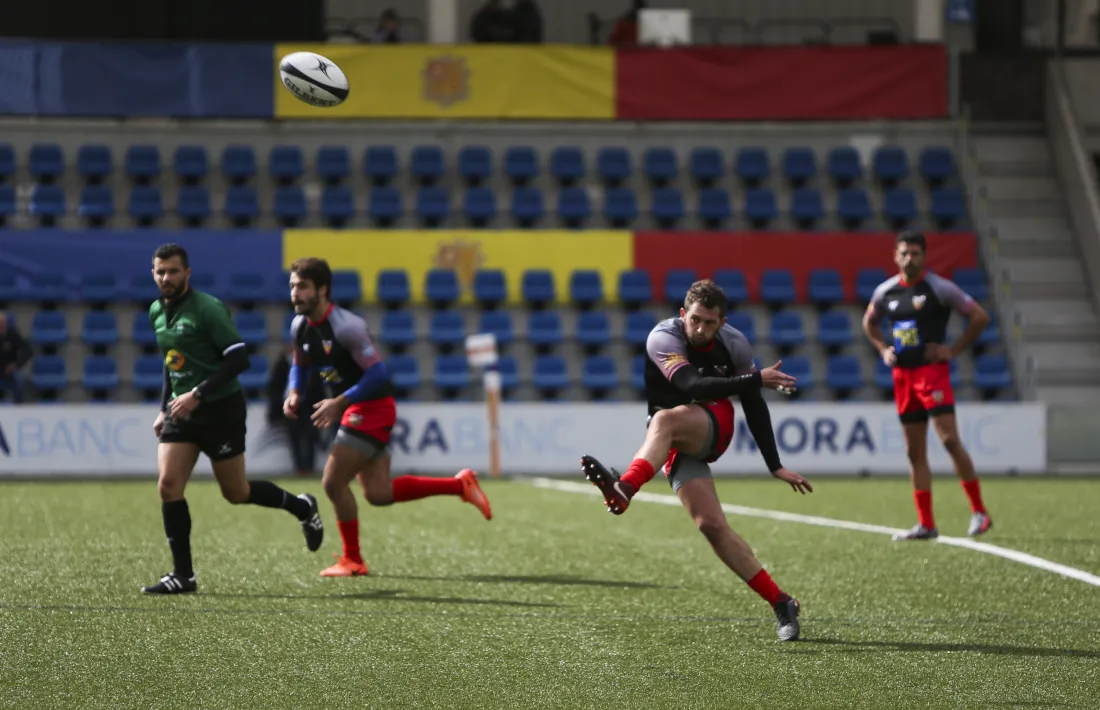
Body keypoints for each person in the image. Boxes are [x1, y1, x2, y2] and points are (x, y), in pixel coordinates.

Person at [581, 279, 812, 642]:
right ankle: (782, 602)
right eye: (695, 320)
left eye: (709, 323)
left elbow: (752, 403)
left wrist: (774, 464)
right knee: (711, 526)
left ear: (722, 322)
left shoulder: (734, 343)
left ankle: (624, 488)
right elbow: (691, 385)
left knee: (663, 420)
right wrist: (753, 379)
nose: (701, 329)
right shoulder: (663, 337)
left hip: (712, 423)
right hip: (673, 441)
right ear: (682, 314)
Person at [284, 257, 493, 578]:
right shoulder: (300, 326)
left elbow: (379, 375)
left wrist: (340, 402)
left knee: (332, 482)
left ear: (322, 289)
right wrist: (294, 391)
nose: (295, 293)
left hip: (372, 408)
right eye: (292, 286)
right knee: (378, 494)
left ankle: (353, 560)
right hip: (354, 409)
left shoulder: (346, 326)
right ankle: (459, 486)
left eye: (302, 286)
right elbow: (299, 363)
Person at [142, 243, 324, 595]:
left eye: (173, 271)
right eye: (160, 271)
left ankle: (302, 506)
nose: (166, 277)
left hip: (220, 410)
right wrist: (165, 407)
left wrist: (198, 395)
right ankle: (183, 575)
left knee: (237, 492)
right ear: (153, 273)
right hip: (182, 412)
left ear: (187, 273)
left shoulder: (208, 309)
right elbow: (172, 362)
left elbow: (239, 359)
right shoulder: (155, 311)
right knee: (168, 486)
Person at [862, 231, 993, 541]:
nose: (910, 259)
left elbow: (979, 316)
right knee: (913, 451)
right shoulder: (886, 292)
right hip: (903, 377)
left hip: (931, 373)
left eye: (916, 253)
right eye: (905, 253)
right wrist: (883, 349)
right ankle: (926, 524)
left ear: (924, 256)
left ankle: (979, 511)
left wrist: (953, 349)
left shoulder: (939, 288)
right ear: (895, 255)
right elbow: (869, 322)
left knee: (949, 440)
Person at [0, 312, 31, 403]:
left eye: (3, 323)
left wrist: (16, 365)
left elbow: (27, 351)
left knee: (20, 377)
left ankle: (18, 406)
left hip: (10, 371)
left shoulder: (12, 335)